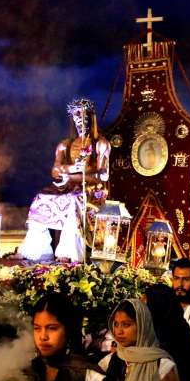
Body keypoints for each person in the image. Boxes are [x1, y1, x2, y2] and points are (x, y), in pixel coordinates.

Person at [19, 98, 111, 262]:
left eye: (84, 118)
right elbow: (55, 171)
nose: (81, 122)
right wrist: (74, 169)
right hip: (67, 186)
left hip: (91, 189)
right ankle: (36, 250)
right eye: (77, 117)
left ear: (91, 119)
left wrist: (77, 174)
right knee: (41, 198)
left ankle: (69, 252)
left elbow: (103, 175)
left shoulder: (101, 143)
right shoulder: (64, 145)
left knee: (74, 200)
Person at [5, 293, 106, 381]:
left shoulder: (89, 375)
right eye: (37, 328)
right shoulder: (27, 372)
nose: (43, 337)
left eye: (52, 328)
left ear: (68, 329)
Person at [100, 299, 182, 381]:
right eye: (116, 324)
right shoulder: (109, 361)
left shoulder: (162, 366)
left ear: (142, 325)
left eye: (126, 325)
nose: (119, 331)